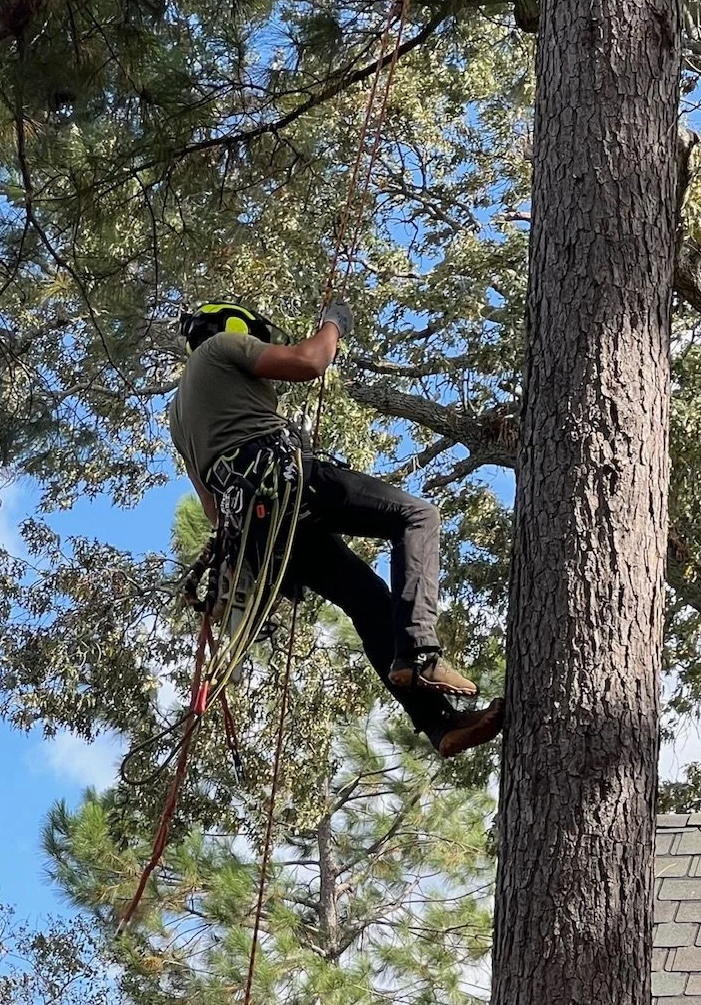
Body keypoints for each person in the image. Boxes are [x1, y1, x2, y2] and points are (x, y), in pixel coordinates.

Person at [169, 298, 504, 760]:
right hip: (281, 479)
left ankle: (439, 723)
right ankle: (421, 652)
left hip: (254, 523)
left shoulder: (178, 413)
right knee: (417, 516)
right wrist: (334, 324)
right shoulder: (221, 348)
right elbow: (310, 362)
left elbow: (211, 506)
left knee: (367, 600)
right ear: (231, 327)